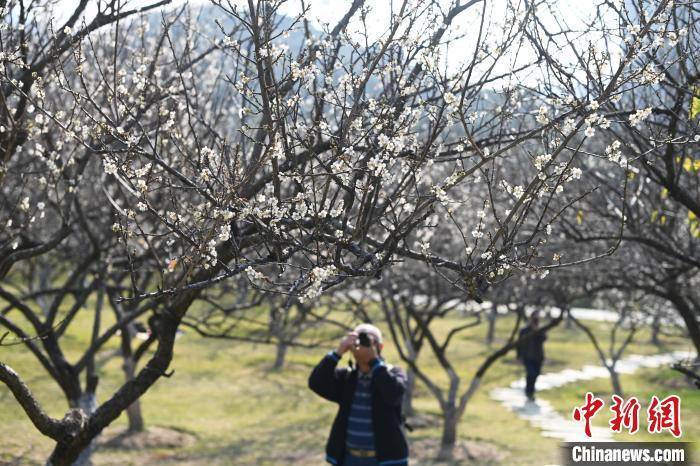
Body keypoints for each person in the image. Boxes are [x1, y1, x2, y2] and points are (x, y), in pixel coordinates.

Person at [308, 323, 409, 466]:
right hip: (349, 458)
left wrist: (374, 361)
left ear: (380, 347)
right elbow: (316, 383)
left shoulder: (393, 373)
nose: (362, 344)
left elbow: (394, 394)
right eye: (358, 341)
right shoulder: (348, 378)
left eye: (368, 341)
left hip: (385, 460)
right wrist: (338, 352)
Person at [516, 311, 547, 402]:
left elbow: (543, 339)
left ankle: (530, 391)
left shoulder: (541, 330)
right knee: (531, 373)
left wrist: (536, 330)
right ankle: (529, 392)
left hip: (538, 357)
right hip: (527, 357)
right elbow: (519, 344)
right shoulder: (524, 330)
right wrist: (519, 356)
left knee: (535, 375)